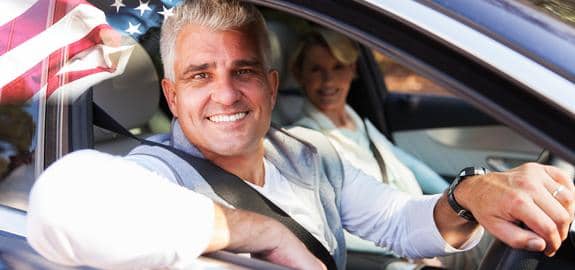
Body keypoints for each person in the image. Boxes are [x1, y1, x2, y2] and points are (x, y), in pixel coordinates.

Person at [27, 1, 574, 270]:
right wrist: (256, 231)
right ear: (171, 97)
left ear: (268, 86)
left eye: (242, 71)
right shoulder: (154, 175)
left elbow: (395, 222)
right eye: (200, 75)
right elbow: (60, 201)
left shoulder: (307, 155)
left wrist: (471, 194)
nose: (225, 94)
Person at [290, 28, 485, 268]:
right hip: (391, 251)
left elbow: (410, 165)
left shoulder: (359, 123)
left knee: (497, 234)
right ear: (299, 75)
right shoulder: (304, 143)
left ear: (353, 70)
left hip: (421, 226)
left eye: (337, 67)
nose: (328, 80)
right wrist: (410, 252)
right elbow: (330, 223)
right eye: (316, 70)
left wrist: (459, 202)